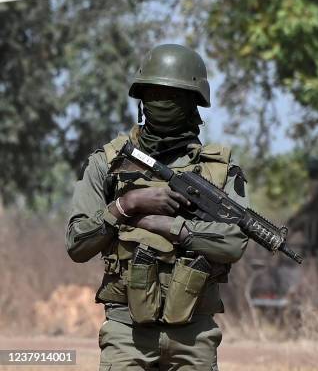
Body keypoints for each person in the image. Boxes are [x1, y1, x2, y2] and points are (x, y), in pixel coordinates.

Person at [66, 44, 249, 370]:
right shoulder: (107, 163)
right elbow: (78, 243)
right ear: (141, 99)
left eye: (174, 95)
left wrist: (174, 228)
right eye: (154, 92)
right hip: (127, 331)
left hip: (195, 332)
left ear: (194, 103)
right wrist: (126, 204)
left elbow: (235, 242)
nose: (163, 102)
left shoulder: (218, 169)